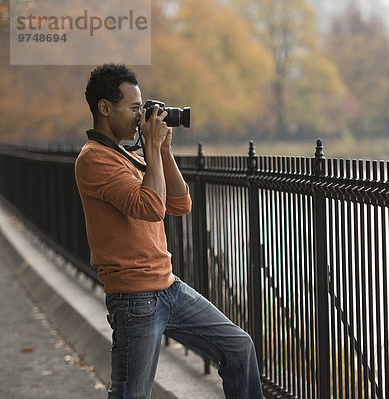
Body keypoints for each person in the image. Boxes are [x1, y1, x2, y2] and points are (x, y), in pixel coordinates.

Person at [75, 63, 263, 399]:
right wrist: (150, 146)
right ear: (105, 107)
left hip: (168, 287)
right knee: (131, 395)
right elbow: (150, 208)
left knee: (238, 347)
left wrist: (161, 150)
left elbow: (179, 203)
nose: (140, 116)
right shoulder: (95, 159)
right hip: (135, 298)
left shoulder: (126, 154)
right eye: (134, 108)